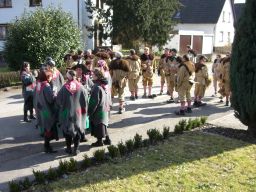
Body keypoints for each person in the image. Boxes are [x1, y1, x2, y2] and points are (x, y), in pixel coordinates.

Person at [57, 70, 88, 155]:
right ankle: (76, 149)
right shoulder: (81, 87)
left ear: (68, 77)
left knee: (67, 130)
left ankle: (68, 148)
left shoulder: (64, 88)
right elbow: (85, 100)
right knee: (77, 129)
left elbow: (58, 101)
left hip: (67, 113)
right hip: (78, 112)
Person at [36, 70, 58, 153]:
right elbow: (51, 100)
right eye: (51, 76)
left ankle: (47, 145)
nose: (52, 78)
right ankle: (47, 146)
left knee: (46, 127)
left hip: (42, 109)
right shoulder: (46, 86)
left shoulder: (39, 84)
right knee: (49, 128)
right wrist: (55, 94)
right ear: (47, 77)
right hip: (48, 110)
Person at [88, 68, 111, 147]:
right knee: (104, 124)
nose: (92, 75)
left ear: (97, 76)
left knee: (99, 125)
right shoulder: (103, 84)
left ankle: (99, 141)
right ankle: (107, 139)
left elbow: (94, 101)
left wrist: (90, 111)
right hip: (105, 106)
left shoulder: (97, 87)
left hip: (99, 109)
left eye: (93, 74)